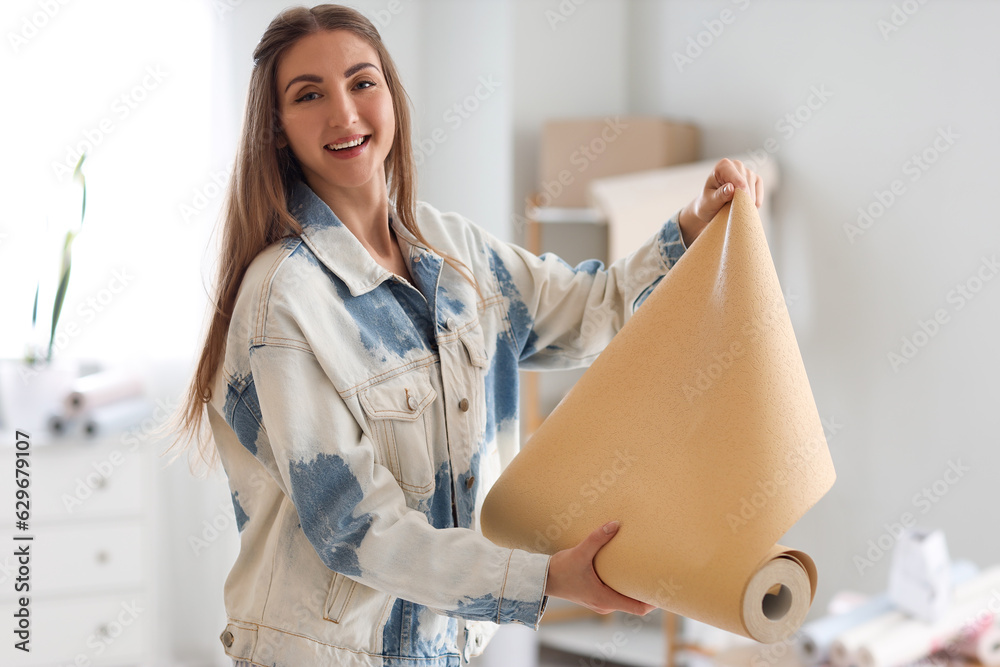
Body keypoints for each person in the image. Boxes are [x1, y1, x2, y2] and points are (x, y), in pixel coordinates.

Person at [172, 4, 764, 666]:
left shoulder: (454, 253)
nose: (343, 113)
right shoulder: (284, 299)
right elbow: (356, 527)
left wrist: (690, 223)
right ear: (277, 130)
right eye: (308, 95)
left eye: (362, 82)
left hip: (446, 648)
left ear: (391, 96)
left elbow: (593, 309)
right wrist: (545, 580)